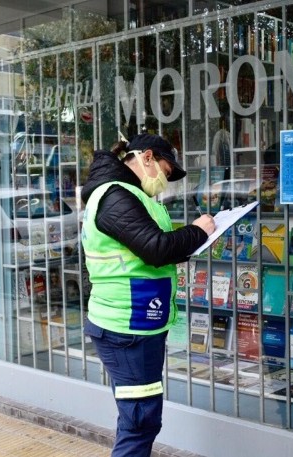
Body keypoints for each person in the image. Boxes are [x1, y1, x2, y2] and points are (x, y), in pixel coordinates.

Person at [80, 133, 216, 457]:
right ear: (148, 157)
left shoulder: (132, 195)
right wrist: (199, 231)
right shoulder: (116, 196)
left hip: (138, 323)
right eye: (166, 172)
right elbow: (155, 248)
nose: (164, 182)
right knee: (140, 422)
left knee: (137, 419)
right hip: (127, 327)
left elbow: (153, 250)